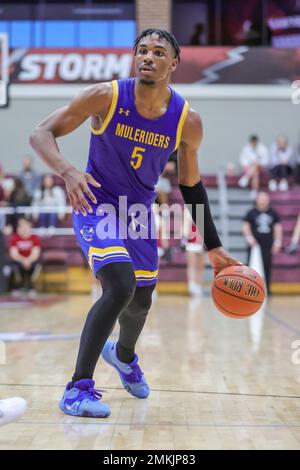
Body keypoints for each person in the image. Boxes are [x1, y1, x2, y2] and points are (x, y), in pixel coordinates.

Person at [30, 28, 241, 419]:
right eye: (142, 50)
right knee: (120, 285)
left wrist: (213, 246)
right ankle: (78, 388)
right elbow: (40, 132)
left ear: (173, 63)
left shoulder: (186, 120)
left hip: (139, 211)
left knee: (142, 298)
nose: (147, 56)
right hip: (96, 201)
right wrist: (68, 172)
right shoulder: (105, 96)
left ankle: (123, 356)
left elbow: (191, 186)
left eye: (158, 52)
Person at [242, 191, 282, 294]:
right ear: (257, 199)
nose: (263, 200)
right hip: (254, 245)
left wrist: (277, 242)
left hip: (267, 244)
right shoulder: (251, 212)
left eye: (265, 198)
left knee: (267, 266)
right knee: (251, 267)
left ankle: (267, 289)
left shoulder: (273, 213)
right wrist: (249, 237)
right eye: (261, 198)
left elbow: (277, 227)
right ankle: (250, 289)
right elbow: (246, 225)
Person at [9, 217, 41, 293]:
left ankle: (30, 285)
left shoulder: (34, 238)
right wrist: (23, 260)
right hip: (19, 260)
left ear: (29, 225)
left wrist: (28, 260)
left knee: (36, 265)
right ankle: (19, 285)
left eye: (24, 225)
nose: (23, 227)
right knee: (16, 265)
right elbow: (14, 254)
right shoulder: (15, 238)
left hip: (30, 260)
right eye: (20, 225)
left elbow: (35, 253)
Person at [238, 134, 269, 199]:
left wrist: (258, 163)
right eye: (252, 142)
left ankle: (246, 177)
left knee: (256, 166)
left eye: (255, 142)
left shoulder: (263, 148)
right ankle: (254, 191)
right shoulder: (246, 148)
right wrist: (249, 164)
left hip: (261, 167)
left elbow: (265, 161)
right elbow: (242, 159)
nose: (254, 143)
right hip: (250, 168)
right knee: (255, 172)